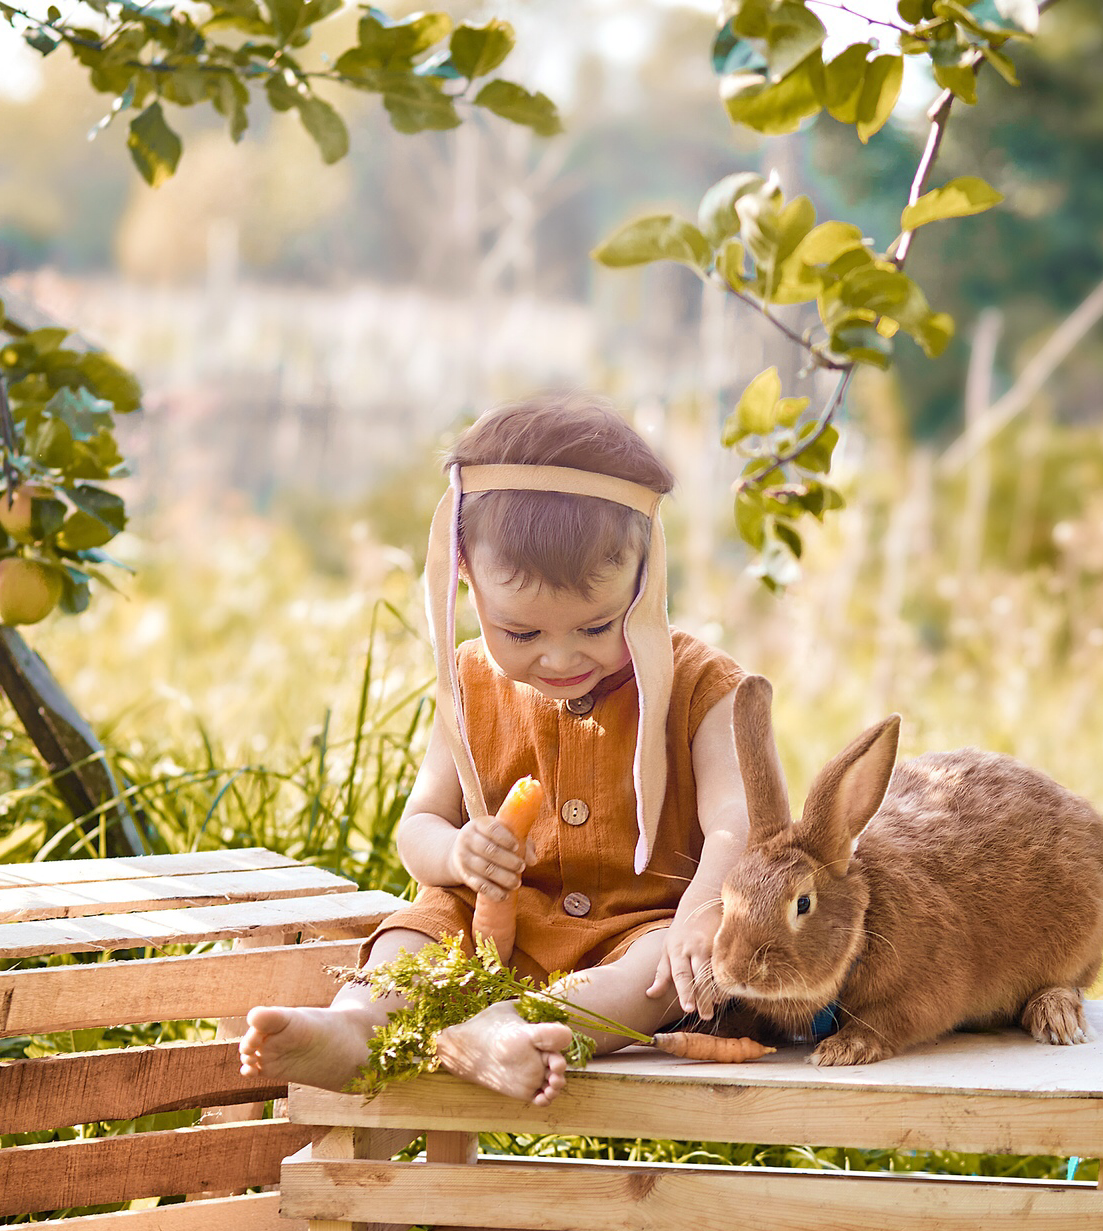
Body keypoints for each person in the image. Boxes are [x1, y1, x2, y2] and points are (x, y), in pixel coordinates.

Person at [238, 394, 752, 1106]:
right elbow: (418, 823)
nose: (562, 656)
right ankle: (356, 1025)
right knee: (418, 930)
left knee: (660, 969)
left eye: (599, 624)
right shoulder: (471, 682)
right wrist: (456, 856)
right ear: (465, 582)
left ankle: (525, 1027)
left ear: (646, 579)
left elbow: (739, 818)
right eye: (523, 634)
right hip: (489, 927)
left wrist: (701, 909)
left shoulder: (700, 684)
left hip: (632, 928)